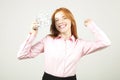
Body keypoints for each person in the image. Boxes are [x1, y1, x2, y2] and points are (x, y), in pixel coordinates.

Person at [17, 7, 111, 80]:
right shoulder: (48, 40)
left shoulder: (81, 44)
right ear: (55, 24)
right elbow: (22, 55)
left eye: (64, 18)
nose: (60, 22)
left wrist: (92, 26)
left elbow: (105, 42)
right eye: (56, 20)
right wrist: (32, 34)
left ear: (71, 21)